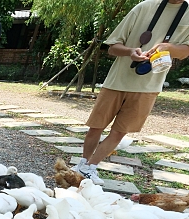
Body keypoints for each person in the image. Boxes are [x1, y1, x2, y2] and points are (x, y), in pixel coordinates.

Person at [73, 0, 189, 185]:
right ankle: (83, 164)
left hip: (149, 86)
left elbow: (184, 52)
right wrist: (130, 52)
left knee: (119, 132)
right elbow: (112, 47)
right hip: (117, 81)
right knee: (96, 126)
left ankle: (90, 168)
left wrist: (167, 47)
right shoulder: (144, 7)